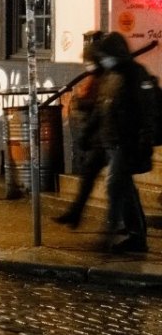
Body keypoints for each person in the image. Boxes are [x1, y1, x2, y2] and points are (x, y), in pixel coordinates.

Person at [84, 32, 149, 253]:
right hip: (112, 140)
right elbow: (103, 107)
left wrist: (144, 139)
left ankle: (115, 236)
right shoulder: (112, 75)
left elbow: (147, 111)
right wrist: (90, 132)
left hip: (126, 141)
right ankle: (135, 233)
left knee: (115, 186)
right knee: (124, 188)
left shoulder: (135, 75)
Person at [53, 31, 107, 229]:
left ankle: (131, 231)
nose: (87, 64)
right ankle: (75, 214)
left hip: (113, 141)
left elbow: (102, 110)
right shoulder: (97, 79)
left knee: (120, 185)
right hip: (102, 140)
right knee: (89, 177)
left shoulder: (109, 79)